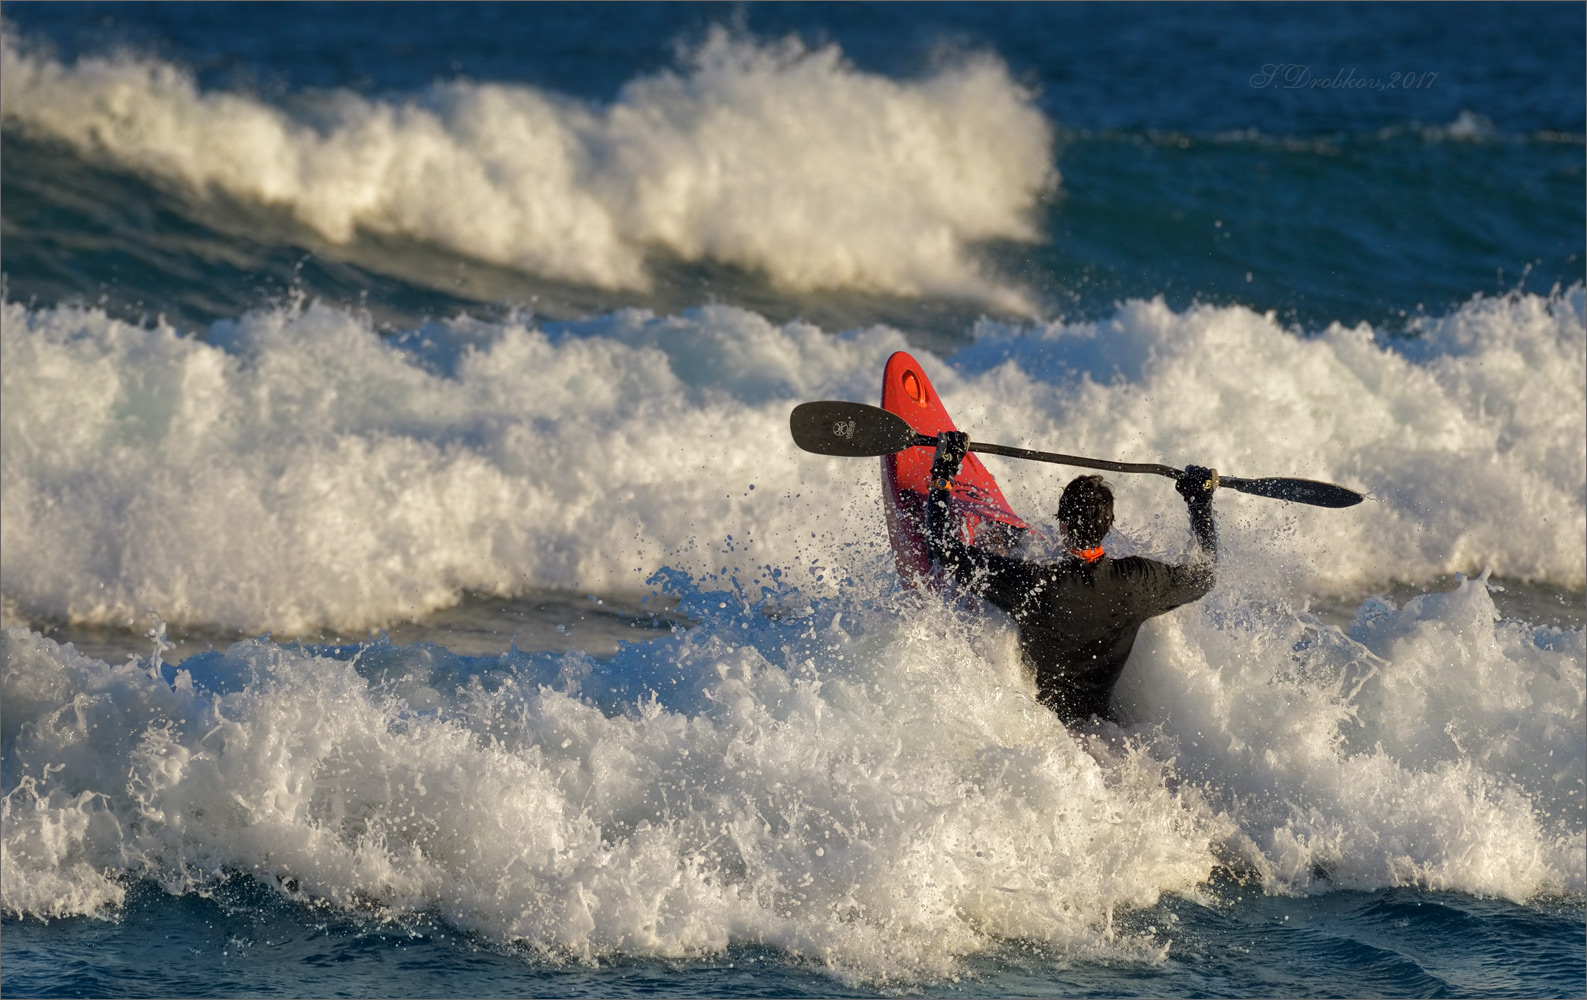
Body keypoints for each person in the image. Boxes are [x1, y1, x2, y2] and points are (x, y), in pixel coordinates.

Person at [924, 431, 1219, 726]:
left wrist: (943, 474)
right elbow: (1205, 576)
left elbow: (942, 549)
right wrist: (1199, 502)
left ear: (1062, 525)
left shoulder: (1035, 585)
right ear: (1110, 524)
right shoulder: (1137, 582)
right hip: (1107, 727)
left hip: (1042, 730)